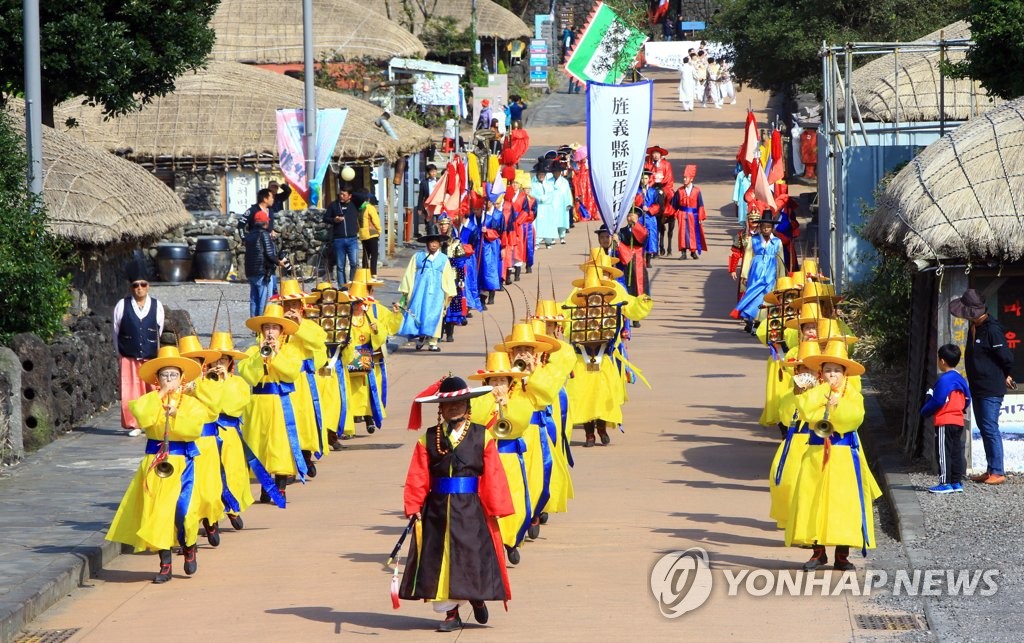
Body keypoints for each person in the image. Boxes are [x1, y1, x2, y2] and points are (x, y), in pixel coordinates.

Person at [401, 375, 513, 632]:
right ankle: (451, 614)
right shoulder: (428, 438)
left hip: (471, 508)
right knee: (440, 559)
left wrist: (496, 508)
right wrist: (414, 506)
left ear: (468, 406)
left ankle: (476, 596)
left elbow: (493, 473)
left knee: (471, 555)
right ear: (440, 408)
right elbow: (418, 474)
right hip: (437, 509)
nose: (454, 408)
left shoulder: (481, 436)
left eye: (460, 403)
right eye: (448, 405)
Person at [106, 346, 206, 583]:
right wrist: (160, 395)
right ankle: (165, 564)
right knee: (158, 512)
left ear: (182, 378)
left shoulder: (192, 404)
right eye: (164, 375)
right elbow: (141, 414)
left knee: (183, 510)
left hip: (182, 462)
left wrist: (174, 415)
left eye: (173, 375)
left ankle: (189, 545)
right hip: (156, 461)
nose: (169, 380)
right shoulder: (151, 399)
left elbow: (194, 429)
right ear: (157, 378)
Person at [787, 340, 882, 571]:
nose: (832, 375)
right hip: (816, 453)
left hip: (844, 455)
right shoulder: (816, 391)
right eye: (828, 370)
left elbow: (855, 419)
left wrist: (837, 406)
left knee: (844, 504)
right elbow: (807, 413)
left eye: (837, 371)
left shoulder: (853, 395)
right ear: (821, 373)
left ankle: (842, 555)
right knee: (813, 501)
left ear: (844, 374)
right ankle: (818, 553)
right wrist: (817, 396)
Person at [238, 303, 305, 502]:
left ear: (281, 331)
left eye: (274, 328)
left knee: (280, 444)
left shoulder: (290, 351)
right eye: (267, 327)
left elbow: (292, 373)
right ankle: (265, 485)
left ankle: (281, 485)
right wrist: (261, 356)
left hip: (280, 400)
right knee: (260, 444)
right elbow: (248, 375)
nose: (270, 332)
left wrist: (276, 355)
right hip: (258, 402)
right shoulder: (252, 351)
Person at [950, 289, 1016, 485]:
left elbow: (1006, 357)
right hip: (978, 385)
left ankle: (998, 470)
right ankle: (990, 469)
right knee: (984, 427)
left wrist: (1006, 374)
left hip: (991, 386)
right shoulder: (975, 326)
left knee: (989, 427)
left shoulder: (992, 330)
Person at [112, 268, 165, 436]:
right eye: (136, 285)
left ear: (148, 286)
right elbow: (115, 330)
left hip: (150, 355)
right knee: (131, 390)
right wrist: (120, 351)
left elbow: (159, 330)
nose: (139, 288)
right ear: (131, 287)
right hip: (129, 355)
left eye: (143, 284)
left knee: (153, 389)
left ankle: (153, 420)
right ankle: (134, 424)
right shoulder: (122, 305)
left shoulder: (157, 305)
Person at [920, 344, 971, 494]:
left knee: (943, 452)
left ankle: (944, 482)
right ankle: (956, 482)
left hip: (944, 420)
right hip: (958, 420)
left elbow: (938, 401)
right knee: (956, 451)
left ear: (942, 361)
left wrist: (924, 411)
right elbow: (968, 398)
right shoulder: (961, 379)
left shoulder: (944, 380)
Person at [397, 233, 457, 352]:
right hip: (419, 291)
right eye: (431, 243)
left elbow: (448, 276)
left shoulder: (444, 259)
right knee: (419, 313)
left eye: (436, 243)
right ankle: (421, 337)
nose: (433, 245)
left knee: (435, 315)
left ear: (439, 244)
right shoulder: (418, 257)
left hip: (437, 292)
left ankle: (433, 342)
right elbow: (409, 273)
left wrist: (449, 292)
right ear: (427, 244)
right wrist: (406, 289)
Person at [730, 212, 784, 334]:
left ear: (772, 228)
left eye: (768, 227)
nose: (766, 229)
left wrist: (781, 277)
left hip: (771, 272)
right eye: (764, 226)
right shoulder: (753, 240)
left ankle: (758, 323)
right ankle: (751, 320)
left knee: (766, 297)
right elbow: (748, 257)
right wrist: (744, 274)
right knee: (754, 295)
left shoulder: (777, 242)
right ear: (760, 227)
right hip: (756, 271)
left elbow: (781, 260)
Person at [244, 210, 285, 318]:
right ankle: (262, 324)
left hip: (250, 271)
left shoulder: (249, 235)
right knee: (265, 299)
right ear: (265, 223)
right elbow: (269, 253)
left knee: (254, 298)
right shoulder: (264, 234)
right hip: (262, 271)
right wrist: (279, 262)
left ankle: (254, 324)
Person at [323, 185, 361, 285]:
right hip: (338, 239)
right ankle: (342, 286)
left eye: (344, 195)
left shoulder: (354, 204)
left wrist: (351, 192)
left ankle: (352, 284)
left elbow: (363, 197)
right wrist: (334, 220)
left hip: (352, 239)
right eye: (340, 194)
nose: (341, 196)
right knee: (340, 265)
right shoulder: (334, 205)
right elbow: (325, 218)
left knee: (354, 263)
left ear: (350, 196)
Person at [671, 164, 707, 260]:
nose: (684, 179)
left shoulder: (697, 191)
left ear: (691, 179)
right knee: (682, 233)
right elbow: (674, 205)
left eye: (686, 178)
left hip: (693, 215)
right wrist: (674, 214)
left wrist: (700, 217)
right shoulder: (679, 191)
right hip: (682, 214)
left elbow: (700, 204)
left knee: (693, 233)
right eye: (683, 177)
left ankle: (693, 251)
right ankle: (683, 252)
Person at [357, 193, 382, 276]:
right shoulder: (370, 208)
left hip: (363, 234)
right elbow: (375, 220)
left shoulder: (360, 208)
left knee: (366, 254)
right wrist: (379, 230)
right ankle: (373, 273)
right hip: (372, 233)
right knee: (374, 254)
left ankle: (365, 272)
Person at [418, 164, 440, 236]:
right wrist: (419, 208)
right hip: (429, 206)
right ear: (428, 173)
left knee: (440, 224)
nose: (433, 173)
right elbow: (421, 196)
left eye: (434, 171)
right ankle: (431, 238)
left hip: (439, 206)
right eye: (431, 171)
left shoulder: (440, 181)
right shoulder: (424, 182)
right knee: (429, 224)